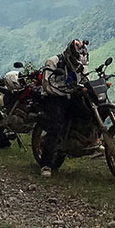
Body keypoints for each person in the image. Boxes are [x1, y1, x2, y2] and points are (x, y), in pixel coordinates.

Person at [37, 39, 89, 177]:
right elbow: (47, 84)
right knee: (57, 126)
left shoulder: (81, 65)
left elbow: (85, 79)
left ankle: (82, 141)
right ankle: (46, 165)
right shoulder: (54, 62)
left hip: (72, 96)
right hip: (53, 97)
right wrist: (65, 91)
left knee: (87, 112)